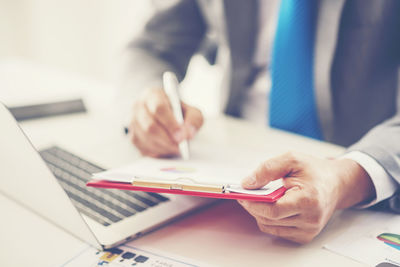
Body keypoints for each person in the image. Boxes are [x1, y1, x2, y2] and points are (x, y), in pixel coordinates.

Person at [120, 0, 400, 244]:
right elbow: (151, 46)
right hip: (229, 168)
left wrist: (346, 178)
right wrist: (149, 103)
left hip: (356, 176)